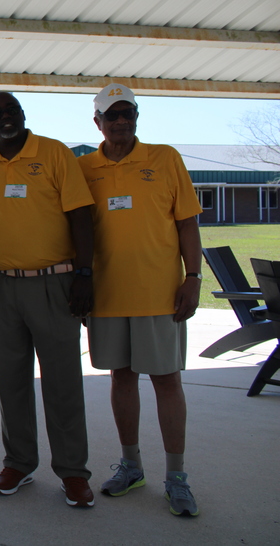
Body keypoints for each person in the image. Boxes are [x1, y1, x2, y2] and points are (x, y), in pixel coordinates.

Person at [0, 92, 97, 508]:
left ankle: (73, 472)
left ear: (23, 116)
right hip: (1, 287)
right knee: (10, 380)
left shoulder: (55, 154)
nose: (6, 118)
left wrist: (84, 273)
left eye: (12, 111)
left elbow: (81, 216)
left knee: (62, 383)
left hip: (53, 283)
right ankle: (19, 463)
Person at [78, 84, 203, 517]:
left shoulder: (165, 158)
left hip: (161, 295)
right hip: (107, 296)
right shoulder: (84, 168)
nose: (121, 121)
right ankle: (131, 465)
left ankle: (177, 477)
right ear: (98, 121)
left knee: (167, 380)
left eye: (128, 113)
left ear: (136, 117)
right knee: (121, 377)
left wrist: (194, 276)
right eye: (112, 114)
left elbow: (187, 223)